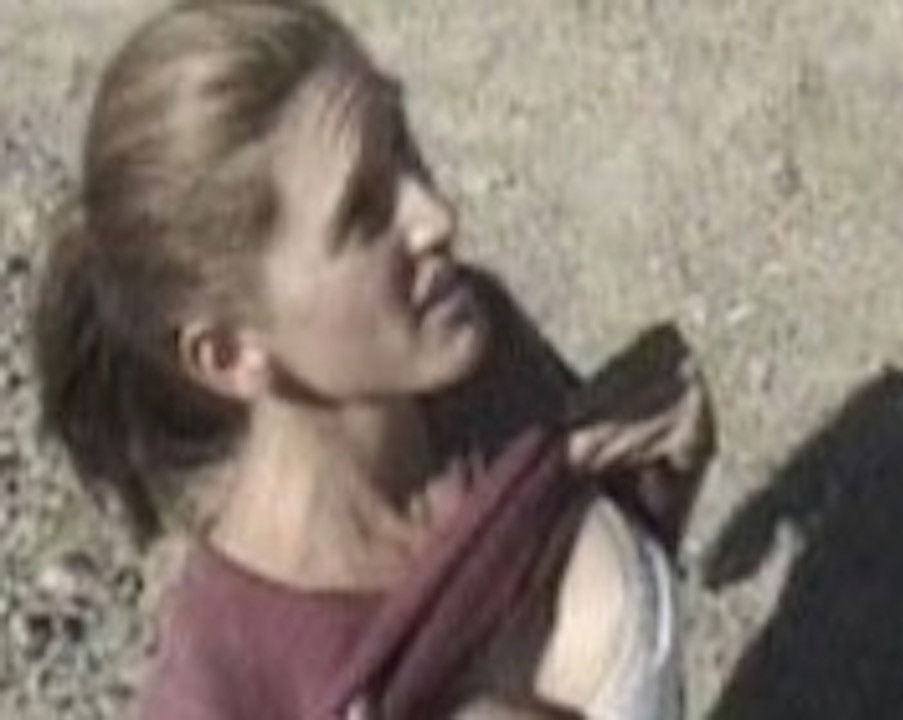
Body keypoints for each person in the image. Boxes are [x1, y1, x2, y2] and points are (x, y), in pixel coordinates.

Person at [30, 1, 713, 718]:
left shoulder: (484, 366)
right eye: (361, 212)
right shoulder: (223, 683)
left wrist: (655, 488)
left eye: (403, 146)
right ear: (230, 354)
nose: (436, 218)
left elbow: (607, 608)